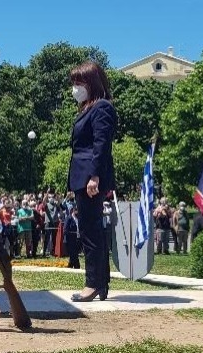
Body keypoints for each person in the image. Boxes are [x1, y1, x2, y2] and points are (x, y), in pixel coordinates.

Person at [67, 61, 117, 303]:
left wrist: (94, 176)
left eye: (79, 83)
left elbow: (101, 144)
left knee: (90, 231)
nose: (75, 88)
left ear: (92, 83)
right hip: (83, 175)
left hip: (90, 176)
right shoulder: (88, 109)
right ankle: (101, 283)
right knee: (91, 229)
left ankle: (93, 284)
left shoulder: (102, 108)